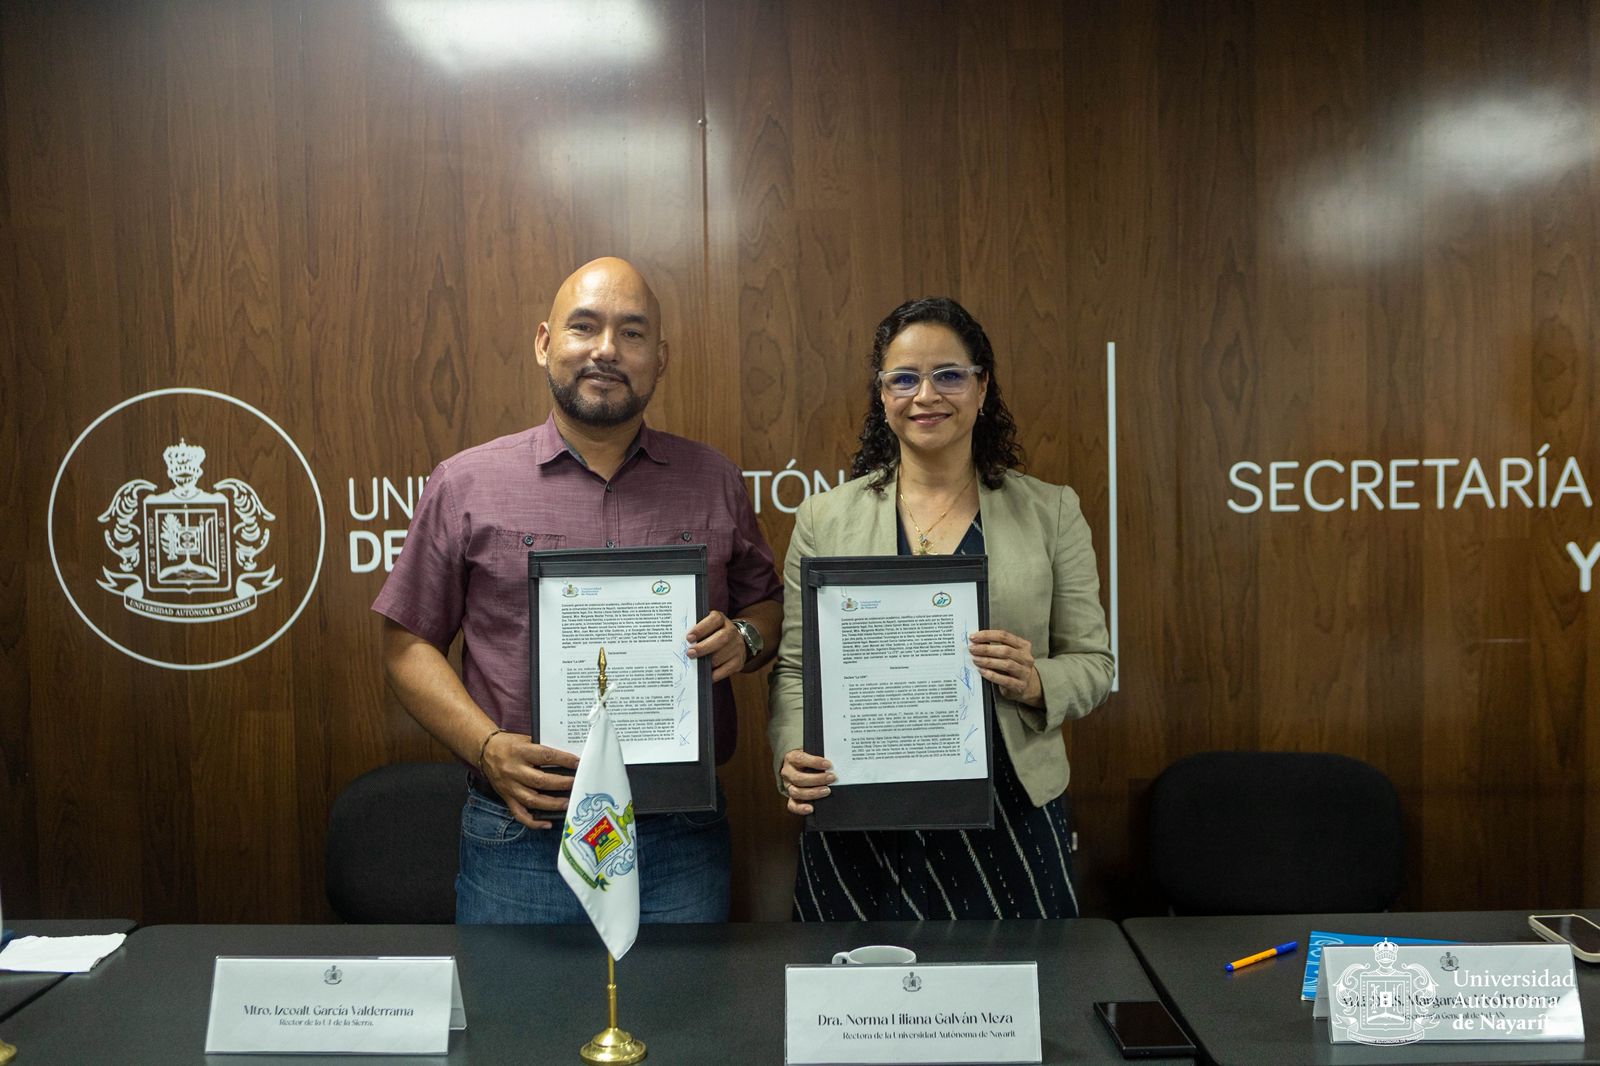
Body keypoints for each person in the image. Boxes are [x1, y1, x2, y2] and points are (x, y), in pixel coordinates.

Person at [375, 256, 782, 924]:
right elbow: (406, 643)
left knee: (688, 1026)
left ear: (660, 357)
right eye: (584, 327)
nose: (606, 351)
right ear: (544, 343)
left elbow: (763, 604)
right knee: (516, 1027)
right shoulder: (465, 483)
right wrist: (486, 748)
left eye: (632, 333)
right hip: (523, 831)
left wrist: (745, 637)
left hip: (678, 835)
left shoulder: (713, 479)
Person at [767, 296, 1114, 921]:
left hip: (1010, 814)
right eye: (904, 378)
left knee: (1012, 1007)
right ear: (882, 396)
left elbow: (1094, 663)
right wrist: (792, 754)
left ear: (982, 387)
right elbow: (794, 669)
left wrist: (1038, 681)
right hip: (859, 815)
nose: (925, 395)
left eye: (948, 375)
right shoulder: (823, 518)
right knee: (859, 1010)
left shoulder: (1051, 512)